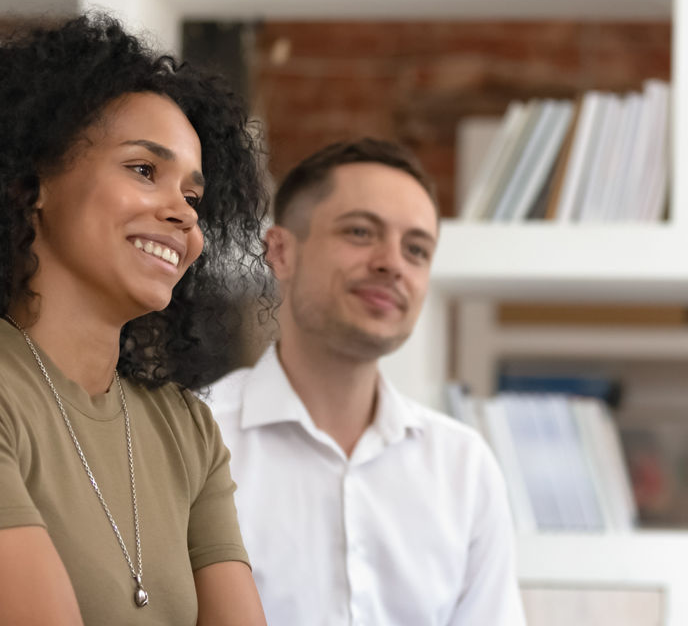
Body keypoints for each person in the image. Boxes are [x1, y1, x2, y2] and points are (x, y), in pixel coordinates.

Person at [0, 13, 270, 626]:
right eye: (143, 170)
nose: (181, 215)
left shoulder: (186, 429)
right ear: (31, 186)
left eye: (193, 197)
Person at [207, 138, 526, 626]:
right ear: (281, 252)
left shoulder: (464, 466)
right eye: (360, 232)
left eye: (416, 250)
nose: (391, 263)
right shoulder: (198, 438)